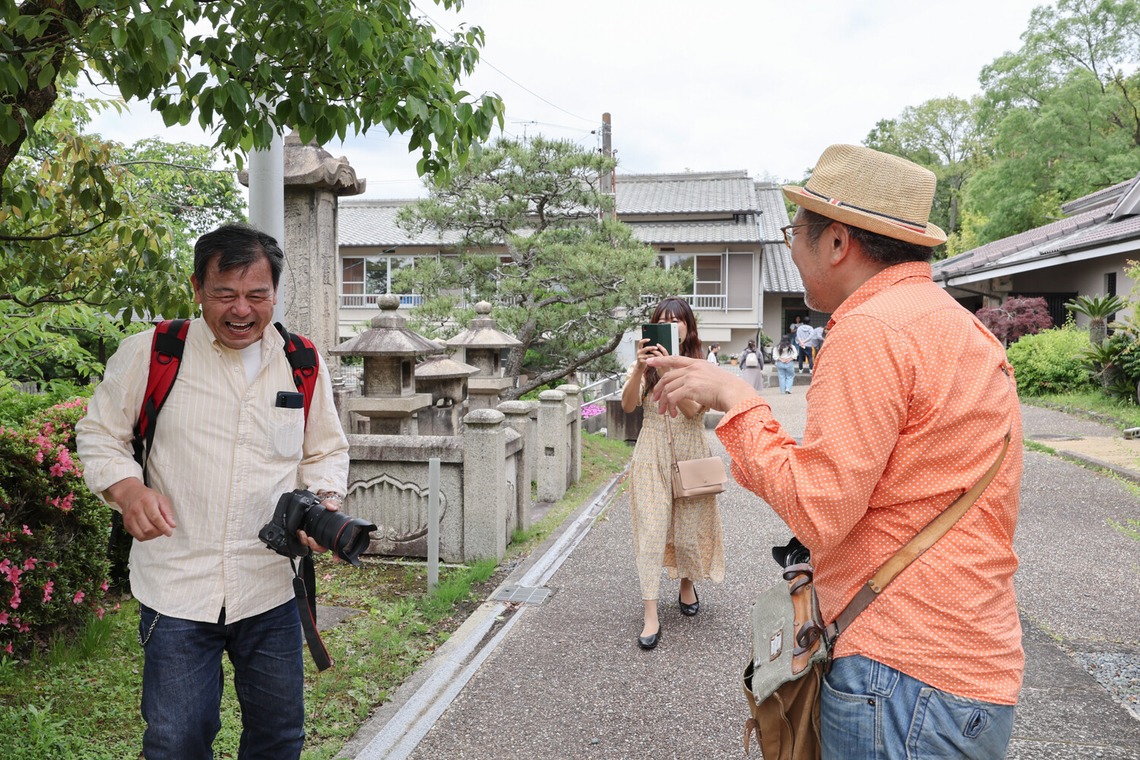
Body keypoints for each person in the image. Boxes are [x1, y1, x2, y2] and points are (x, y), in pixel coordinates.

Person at [646, 144, 1023, 759]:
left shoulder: (869, 328)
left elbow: (820, 509)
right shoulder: (960, 327)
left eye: (795, 232)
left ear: (838, 242)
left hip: (899, 671)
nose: (791, 249)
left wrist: (739, 401)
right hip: (972, 659)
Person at [76, 223, 351, 759]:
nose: (241, 310)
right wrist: (128, 488)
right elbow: (99, 432)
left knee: (278, 738)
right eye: (224, 294)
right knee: (177, 741)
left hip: (269, 587)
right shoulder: (154, 352)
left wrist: (323, 499)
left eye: (257, 295)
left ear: (275, 292)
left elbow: (326, 450)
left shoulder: (300, 360)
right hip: (177, 587)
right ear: (198, 288)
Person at [621, 296, 724, 651]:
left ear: (688, 327)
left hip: (691, 451)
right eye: (662, 320)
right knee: (650, 529)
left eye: (676, 320)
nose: (670, 325)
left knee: (687, 529)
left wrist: (668, 371)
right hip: (651, 452)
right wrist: (639, 368)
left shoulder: (701, 364)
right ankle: (651, 613)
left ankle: (686, 583)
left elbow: (695, 410)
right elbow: (629, 405)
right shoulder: (644, 364)